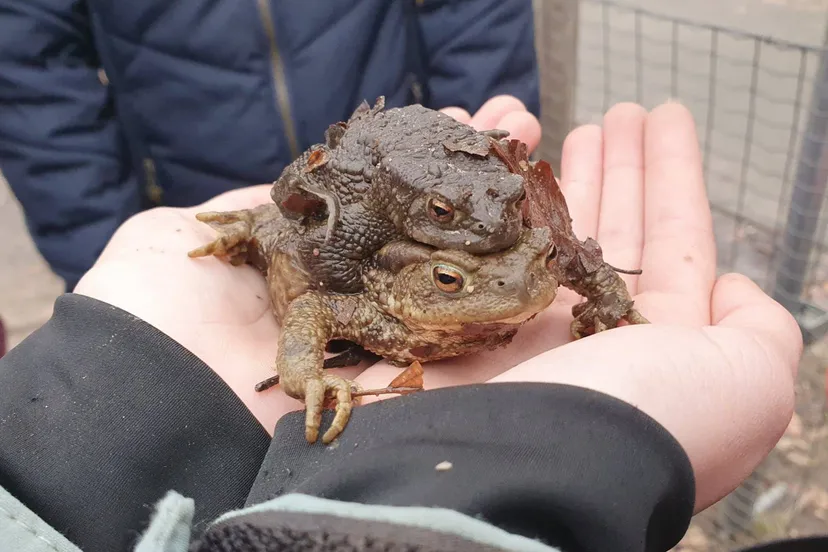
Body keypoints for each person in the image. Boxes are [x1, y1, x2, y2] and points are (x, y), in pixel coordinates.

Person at [0, 101, 814, 552]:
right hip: (350, 235)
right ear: (426, 280)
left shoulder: (514, 254)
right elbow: (318, 297)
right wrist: (304, 370)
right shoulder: (381, 299)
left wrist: (601, 294)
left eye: (529, 267)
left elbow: (556, 256)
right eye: (458, 280)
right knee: (283, 231)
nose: (521, 287)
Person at [0, 0, 540, 292]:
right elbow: (33, 69)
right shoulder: (351, 221)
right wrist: (101, 252)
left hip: (409, 151)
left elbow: (474, 17)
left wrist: (474, 159)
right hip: (183, 188)